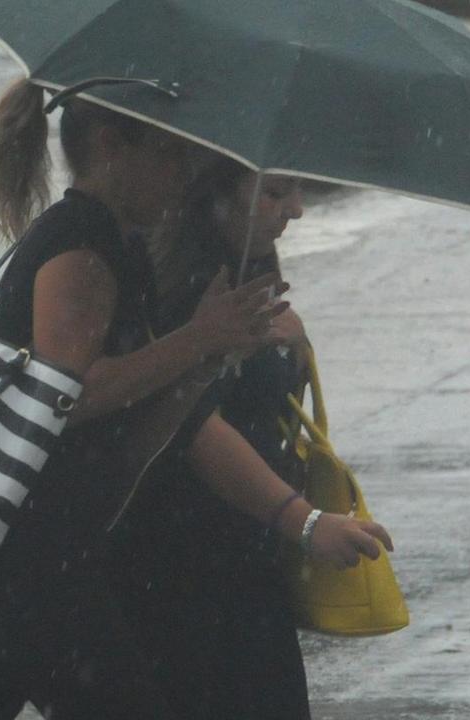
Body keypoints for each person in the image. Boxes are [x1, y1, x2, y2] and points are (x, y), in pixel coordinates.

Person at [0, 79, 390, 719]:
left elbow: (149, 428)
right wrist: (196, 339)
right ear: (111, 145)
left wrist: (205, 357)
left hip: (19, 553)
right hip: (24, 559)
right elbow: (66, 395)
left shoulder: (116, 244)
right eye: (168, 154)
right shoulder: (80, 243)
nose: (183, 173)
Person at [111, 159, 361, 719]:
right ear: (213, 195)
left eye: (298, 189)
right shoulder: (185, 289)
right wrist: (307, 522)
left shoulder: (242, 268)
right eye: (275, 192)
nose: (295, 208)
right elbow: (195, 427)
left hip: (239, 556)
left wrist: (291, 348)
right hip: (182, 566)